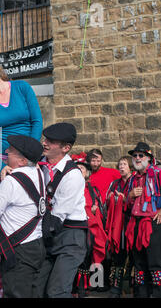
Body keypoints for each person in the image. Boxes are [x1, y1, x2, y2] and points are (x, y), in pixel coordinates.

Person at [0, 134, 46, 298]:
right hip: (36, 244)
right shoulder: (39, 174)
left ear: (22, 161)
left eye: (10, 151)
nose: (6, 152)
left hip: (18, 250)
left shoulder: (11, 182)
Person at [34, 122, 88, 298]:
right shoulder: (40, 167)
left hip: (70, 236)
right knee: (36, 288)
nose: (45, 143)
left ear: (66, 148)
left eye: (51, 141)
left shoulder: (72, 175)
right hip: (51, 234)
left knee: (57, 291)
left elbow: (56, 218)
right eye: (46, 139)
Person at [124, 142, 161, 298]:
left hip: (152, 222)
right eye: (135, 156)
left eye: (141, 155)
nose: (137, 158)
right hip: (136, 223)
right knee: (139, 263)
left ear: (149, 158)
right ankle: (141, 294)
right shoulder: (133, 179)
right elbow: (127, 203)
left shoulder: (158, 173)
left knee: (155, 262)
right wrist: (130, 195)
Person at [70, 152, 107, 298]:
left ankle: (91, 285)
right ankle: (76, 287)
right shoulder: (70, 188)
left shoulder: (92, 189)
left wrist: (94, 209)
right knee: (77, 256)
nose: (80, 170)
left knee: (91, 256)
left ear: (87, 173)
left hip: (91, 228)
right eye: (77, 168)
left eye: (82, 169)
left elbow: (96, 205)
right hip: (75, 226)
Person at [105, 156, 134, 298]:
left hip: (131, 223)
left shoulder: (135, 181)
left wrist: (125, 197)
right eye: (120, 164)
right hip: (118, 225)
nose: (121, 167)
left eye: (124, 164)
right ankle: (116, 288)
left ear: (130, 166)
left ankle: (134, 287)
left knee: (135, 256)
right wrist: (111, 198)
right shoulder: (114, 184)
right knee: (118, 256)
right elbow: (106, 203)